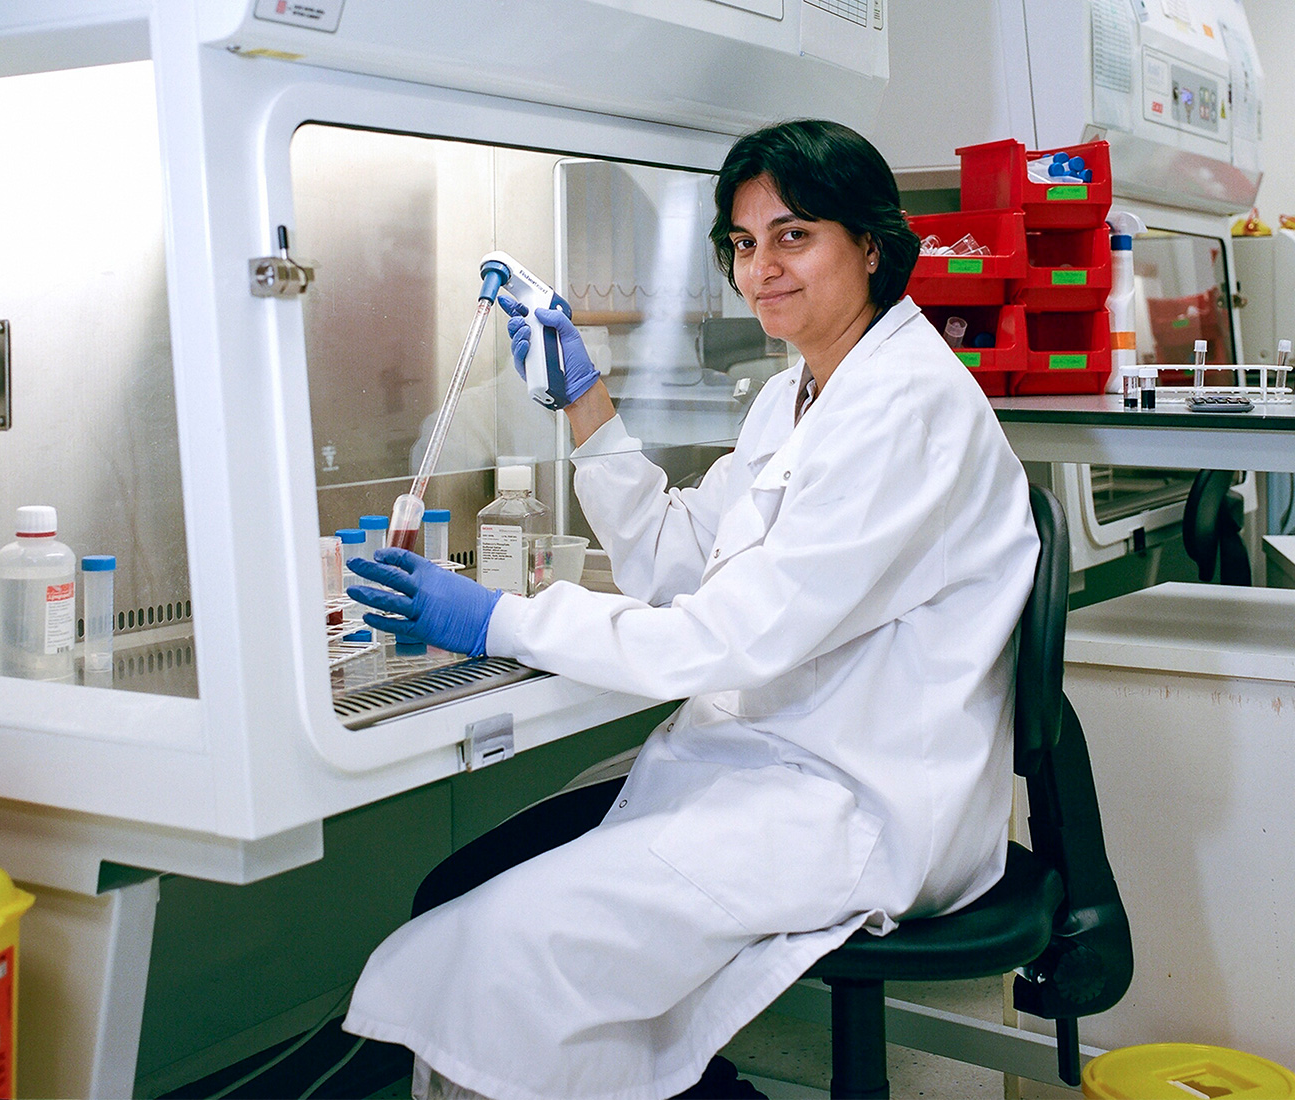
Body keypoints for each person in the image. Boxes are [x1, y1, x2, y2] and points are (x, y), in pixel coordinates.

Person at [341, 118, 1038, 1100]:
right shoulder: (796, 392)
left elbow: (722, 636)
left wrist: (494, 618)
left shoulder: (904, 410)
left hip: (851, 798)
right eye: (744, 244)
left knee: (505, 946)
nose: (762, 268)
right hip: (768, 759)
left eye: (793, 235)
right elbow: (676, 560)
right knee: (462, 898)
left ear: (871, 246)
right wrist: (582, 397)